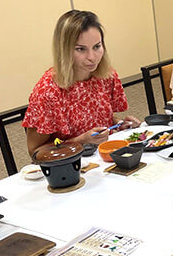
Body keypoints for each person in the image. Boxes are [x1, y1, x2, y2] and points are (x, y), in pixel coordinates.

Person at [23, 10, 140, 155]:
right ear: (64, 50)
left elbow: (100, 120)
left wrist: (119, 125)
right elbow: (36, 152)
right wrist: (80, 141)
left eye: (97, 47)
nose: (92, 57)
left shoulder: (106, 76)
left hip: (103, 156)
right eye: (80, 49)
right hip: (70, 164)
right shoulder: (48, 91)